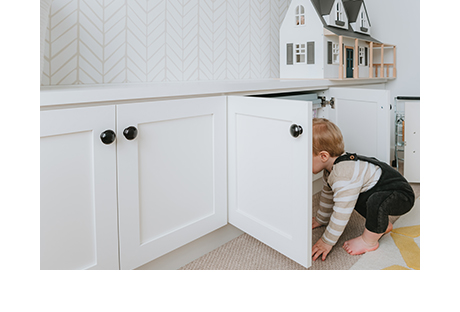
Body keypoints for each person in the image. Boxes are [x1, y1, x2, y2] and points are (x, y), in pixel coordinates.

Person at [311, 118, 415, 261]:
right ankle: (381, 225)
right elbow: (327, 196)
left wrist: (326, 241)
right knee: (353, 197)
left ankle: (369, 241)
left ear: (324, 156)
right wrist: (321, 219)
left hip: (402, 194)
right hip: (382, 188)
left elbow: (341, 212)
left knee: (370, 202)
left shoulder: (343, 174)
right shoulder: (330, 171)